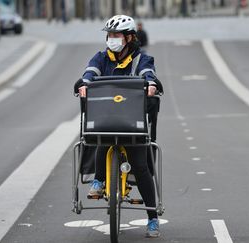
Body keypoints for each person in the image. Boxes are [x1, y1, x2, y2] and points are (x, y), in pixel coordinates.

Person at [74, 15, 164, 238]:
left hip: (133, 122)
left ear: (129, 38)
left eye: (116, 35)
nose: (111, 39)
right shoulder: (101, 58)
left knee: (141, 168)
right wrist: (84, 85)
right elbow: (89, 73)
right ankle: (98, 179)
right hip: (107, 118)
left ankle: (152, 218)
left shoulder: (141, 59)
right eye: (109, 35)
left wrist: (151, 85)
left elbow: (148, 74)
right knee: (100, 138)